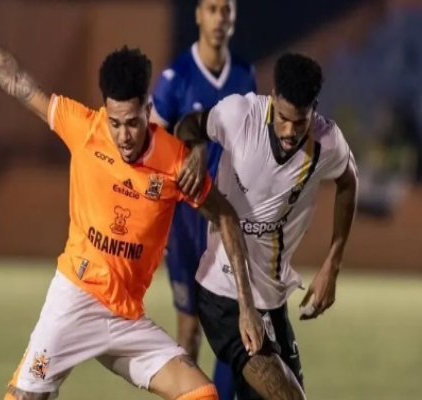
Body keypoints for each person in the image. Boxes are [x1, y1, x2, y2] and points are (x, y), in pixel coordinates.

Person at [0, 1, 294, 399]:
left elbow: (226, 217)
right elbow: (16, 80)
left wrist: (246, 306)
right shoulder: (84, 128)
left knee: (202, 394)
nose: (123, 136)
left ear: (148, 110)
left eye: (133, 123)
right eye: (115, 123)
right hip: (75, 299)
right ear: (105, 112)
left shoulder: (174, 162)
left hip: (126, 319)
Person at [175, 53, 359, 399]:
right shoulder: (239, 115)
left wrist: (332, 265)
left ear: (314, 110)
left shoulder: (327, 143)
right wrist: (197, 148)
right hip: (223, 294)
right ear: (273, 98)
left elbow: (349, 182)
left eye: (299, 122)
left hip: (271, 300)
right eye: (283, 118)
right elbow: (187, 125)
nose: (289, 131)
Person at [150, 1, 256, 398]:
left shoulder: (244, 74)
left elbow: (250, 140)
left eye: (226, 10)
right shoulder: (176, 76)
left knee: (234, 327)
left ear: (234, 17)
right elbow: (152, 143)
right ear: (198, 15)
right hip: (185, 222)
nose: (219, 18)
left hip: (226, 218)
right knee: (190, 329)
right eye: (211, 9)